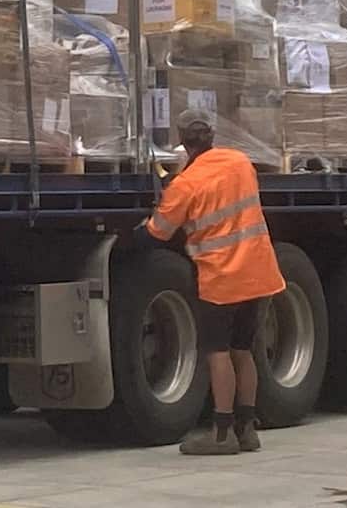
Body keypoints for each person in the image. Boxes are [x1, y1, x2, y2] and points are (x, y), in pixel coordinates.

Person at [133, 108, 286, 456]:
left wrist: (138, 231)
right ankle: (247, 429)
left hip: (221, 277)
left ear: (182, 140)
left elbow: (158, 233)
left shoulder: (185, 184)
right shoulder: (240, 163)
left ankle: (221, 433)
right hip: (257, 271)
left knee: (218, 352)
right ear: (212, 135)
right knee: (243, 350)